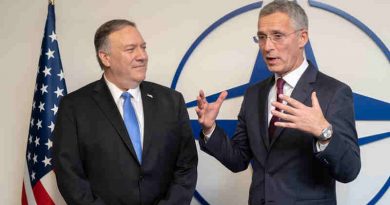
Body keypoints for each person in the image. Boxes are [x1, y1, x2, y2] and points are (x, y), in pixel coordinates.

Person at [195, 1, 360, 204]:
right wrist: (210, 129)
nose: (267, 47)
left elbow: (350, 170)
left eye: (277, 36)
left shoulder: (334, 92)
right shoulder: (254, 94)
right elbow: (238, 160)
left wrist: (324, 132)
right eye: (262, 37)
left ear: (302, 37)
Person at [53, 19, 198, 205]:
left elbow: (186, 167)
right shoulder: (74, 106)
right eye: (131, 49)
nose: (142, 56)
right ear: (105, 57)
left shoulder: (172, 101)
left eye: (143, 47)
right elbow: (69, 175)